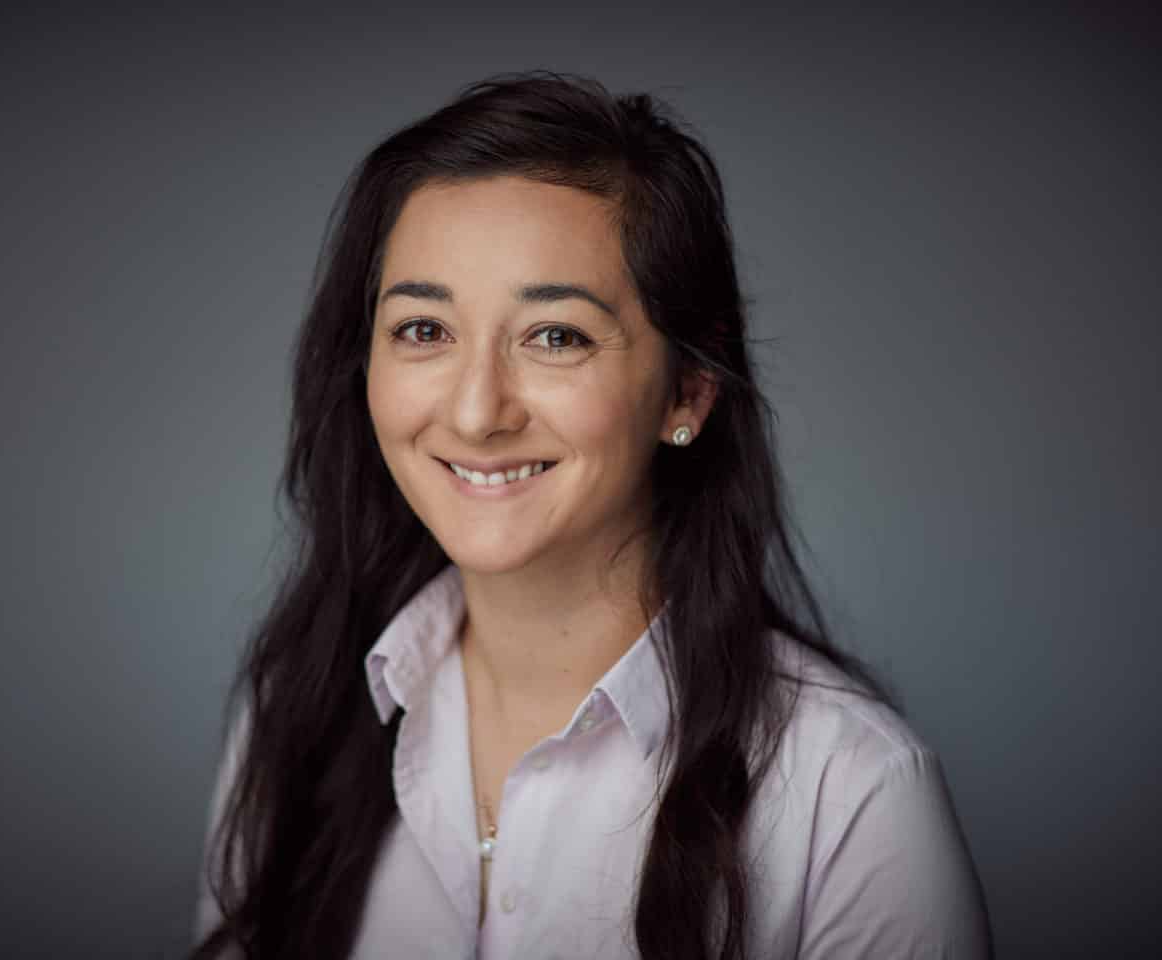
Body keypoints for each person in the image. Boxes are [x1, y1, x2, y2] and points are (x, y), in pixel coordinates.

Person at [190, 70, 992, 959]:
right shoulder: (294, 717)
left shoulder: (853, 792)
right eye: (423, 330)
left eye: (556, 337)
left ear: (686, 391)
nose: (474, 413)